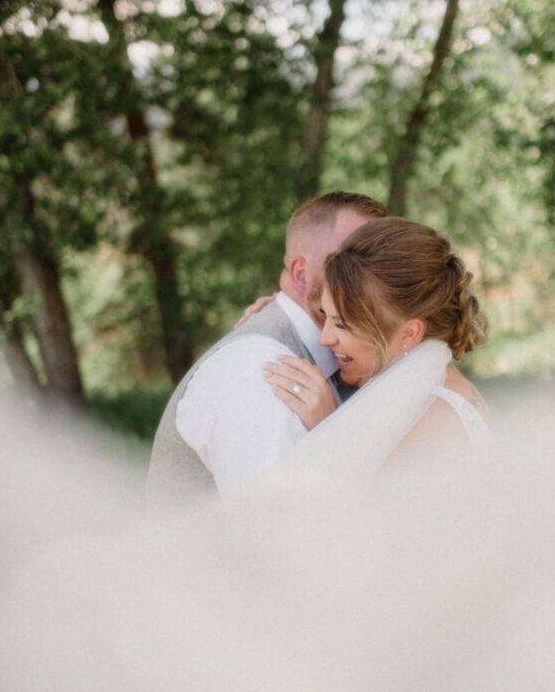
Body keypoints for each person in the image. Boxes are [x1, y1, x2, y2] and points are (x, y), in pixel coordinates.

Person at [146, 192, 388, 508]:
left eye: (378, 262)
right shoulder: (265, 373)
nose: (371, 278)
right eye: (351, 260)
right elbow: (275, 535)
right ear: (301, 275)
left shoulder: (349, 360)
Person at [262, 216, 491, 478]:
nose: (325, 339)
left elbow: (373, 517)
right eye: (326, 316)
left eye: (343, 325)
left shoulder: (434, 419)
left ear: (409, 333)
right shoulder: (427, 392)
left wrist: (330, 428)